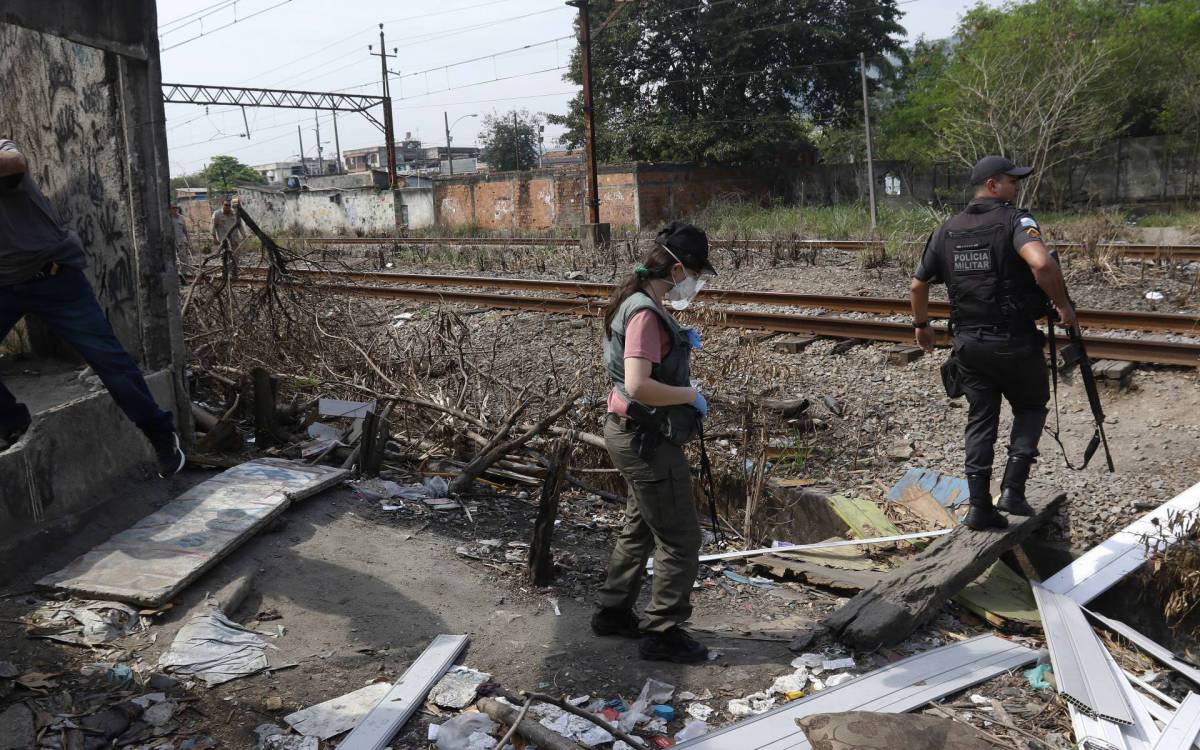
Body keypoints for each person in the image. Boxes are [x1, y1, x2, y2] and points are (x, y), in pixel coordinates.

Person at [910, 155, 1076, 531]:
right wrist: (1063, 305)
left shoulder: (947, 229)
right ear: (992, 185)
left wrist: (922, 326)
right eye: (1011, 181)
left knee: (981, 418)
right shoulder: (1016, 221)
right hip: (1015, 342)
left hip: (969, 345)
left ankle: (980, 508)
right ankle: (1014, 491)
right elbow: (1042, 264)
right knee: (1032, 406)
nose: (1016, 187)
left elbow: (918, 284)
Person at [0, 139, 185, 474]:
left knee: (109, 361)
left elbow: (14, 162)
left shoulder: (3, 153)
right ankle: (11, 421)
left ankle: (160, 433)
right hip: (5, 287)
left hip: (54, 279)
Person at [592, 221, 716, 663]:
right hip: (645, 438)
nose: (695, 282)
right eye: (696, 271)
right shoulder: (645, 312)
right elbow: (640, 385)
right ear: (678, 267)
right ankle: (663, 631)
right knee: (681, 537)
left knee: (641, 525)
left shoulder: (637, 301)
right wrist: (690, 395)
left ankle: (613, 612)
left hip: (631, 432)